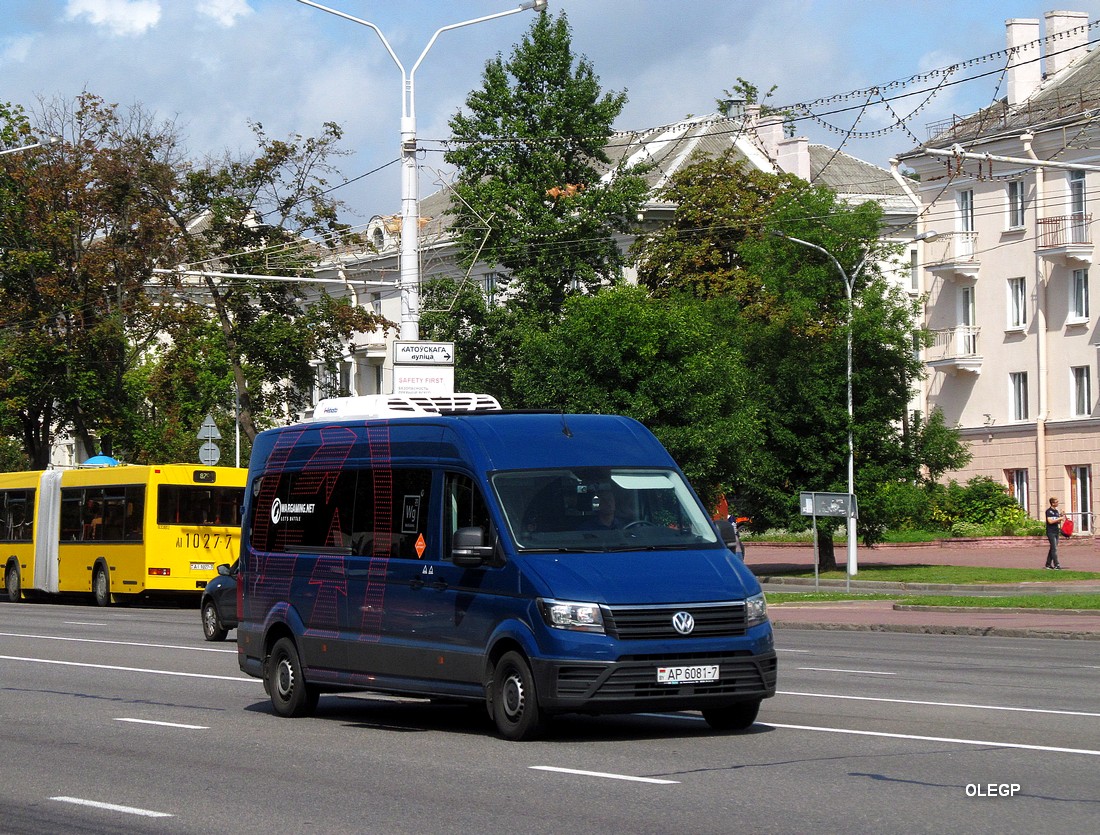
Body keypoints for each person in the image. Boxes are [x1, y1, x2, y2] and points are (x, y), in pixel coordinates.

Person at [1044, 497, 1064, 569]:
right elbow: (1050, 521)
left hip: (1056, 531)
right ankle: (1056, 564)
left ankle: (1048, 564)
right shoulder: (1049, 511)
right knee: (1054, 548)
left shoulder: (1056, 511)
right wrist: (1059, 518)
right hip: (1050, 531)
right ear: (1052, 503)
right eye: (1056, 502)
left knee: (1053, 548)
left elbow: (1057, 521)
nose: (1058, 503)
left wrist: (1061, 515)